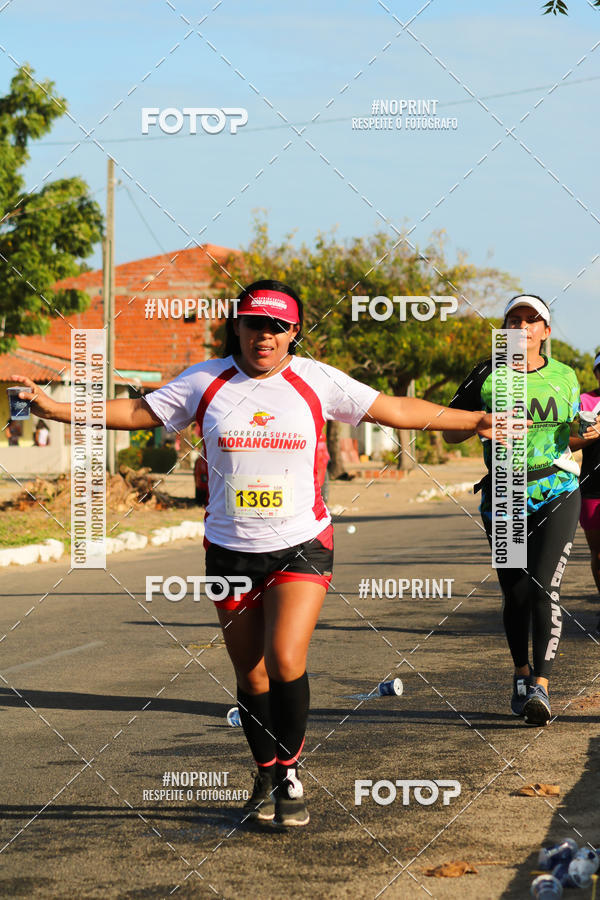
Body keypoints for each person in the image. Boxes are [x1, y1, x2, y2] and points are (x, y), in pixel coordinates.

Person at [11, 278, 500, 827]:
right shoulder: (206, 380)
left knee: (287, 658)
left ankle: (290, 774)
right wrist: (53, 408)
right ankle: (265, 767)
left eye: (277, 326)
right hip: (229, 549)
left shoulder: (314, 379)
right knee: (251, 674)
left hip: (302, 543)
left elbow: (392, 409)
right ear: (237, 326)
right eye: (253, 324)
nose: (264, 336)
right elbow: (139, 414)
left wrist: (476, 421)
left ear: (294, 332)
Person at [443, 294, 581, 727]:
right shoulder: (486, 374)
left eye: (531, 320)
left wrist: (589, 433)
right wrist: (480, 419)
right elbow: (449, 433)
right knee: (516, 593)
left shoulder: (565, 376)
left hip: (557, 488)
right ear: (504, 330)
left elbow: (570, 435)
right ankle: (521, 675)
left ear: (545, 331)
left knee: (543, 589)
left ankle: (542, 685)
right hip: (503, 492)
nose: (522, 328)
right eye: (514, 320)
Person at [569, 351, 600, 628]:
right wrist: (592, 434)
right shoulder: (588, 402)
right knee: (598, 553)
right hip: (593, 484)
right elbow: (571, 443)